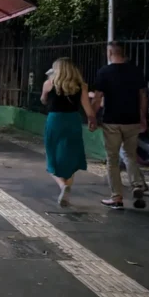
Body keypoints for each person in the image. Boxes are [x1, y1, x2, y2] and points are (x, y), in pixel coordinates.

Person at [92, 42, 149, 210]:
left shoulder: (104, 72)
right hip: (132, 121)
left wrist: (92, 116)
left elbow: (97, 98)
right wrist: (143, 117)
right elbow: (143, 96)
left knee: (112, 159)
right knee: (130, 155)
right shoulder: (135, 71)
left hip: (112, 121)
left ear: (110, 53)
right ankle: (137, 185)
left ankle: (116, 197)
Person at [41, 58, 96, 207]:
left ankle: (62, 186)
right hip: (73, 120)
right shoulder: (81, 86)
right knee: (71, 155)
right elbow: (88, 109)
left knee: (52, 155)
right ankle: (67, 187)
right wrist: (92, 120)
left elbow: (44, 101)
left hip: (55, 120)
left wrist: (45, 94)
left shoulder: (49, 84)